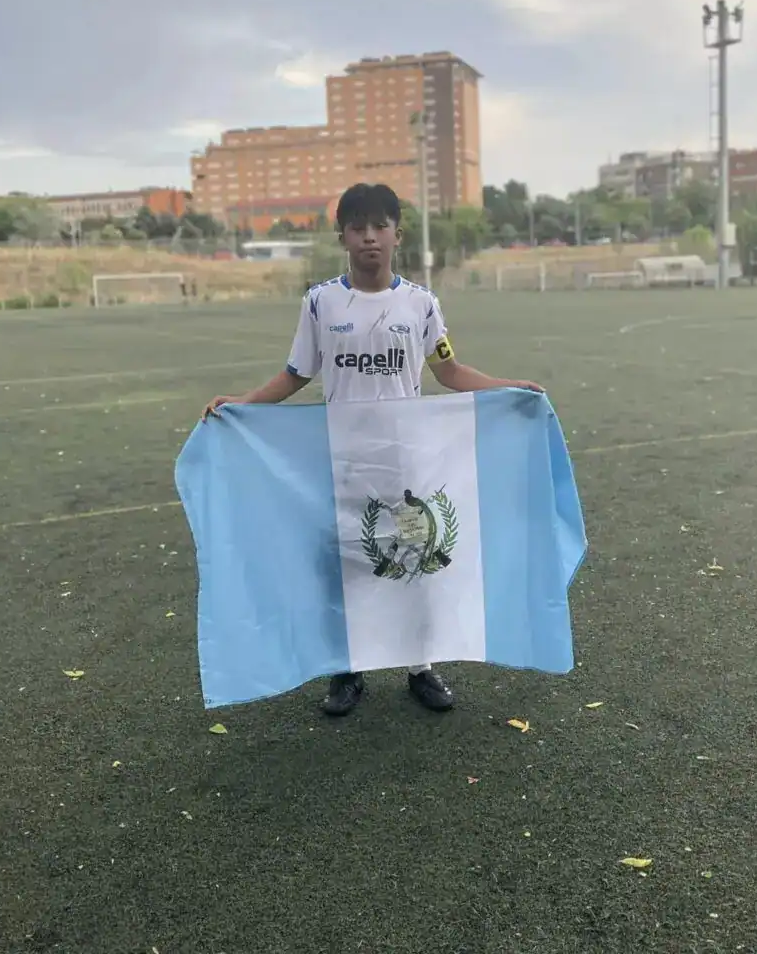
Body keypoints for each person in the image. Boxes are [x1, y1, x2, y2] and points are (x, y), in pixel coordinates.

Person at [202, 183, 544, 717]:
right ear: (342, 237)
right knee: (348, 566)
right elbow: (296, 374)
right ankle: (347, 670)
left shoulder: (420, 304)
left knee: (418, 562)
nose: (369, 237)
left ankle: (421, 667)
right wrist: (242, 404)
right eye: (358, 227)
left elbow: (449, 370)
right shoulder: (320, 302)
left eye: (379, 226)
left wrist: (507, 389)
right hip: (344, 462)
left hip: (408, 463)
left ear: (396, 235)